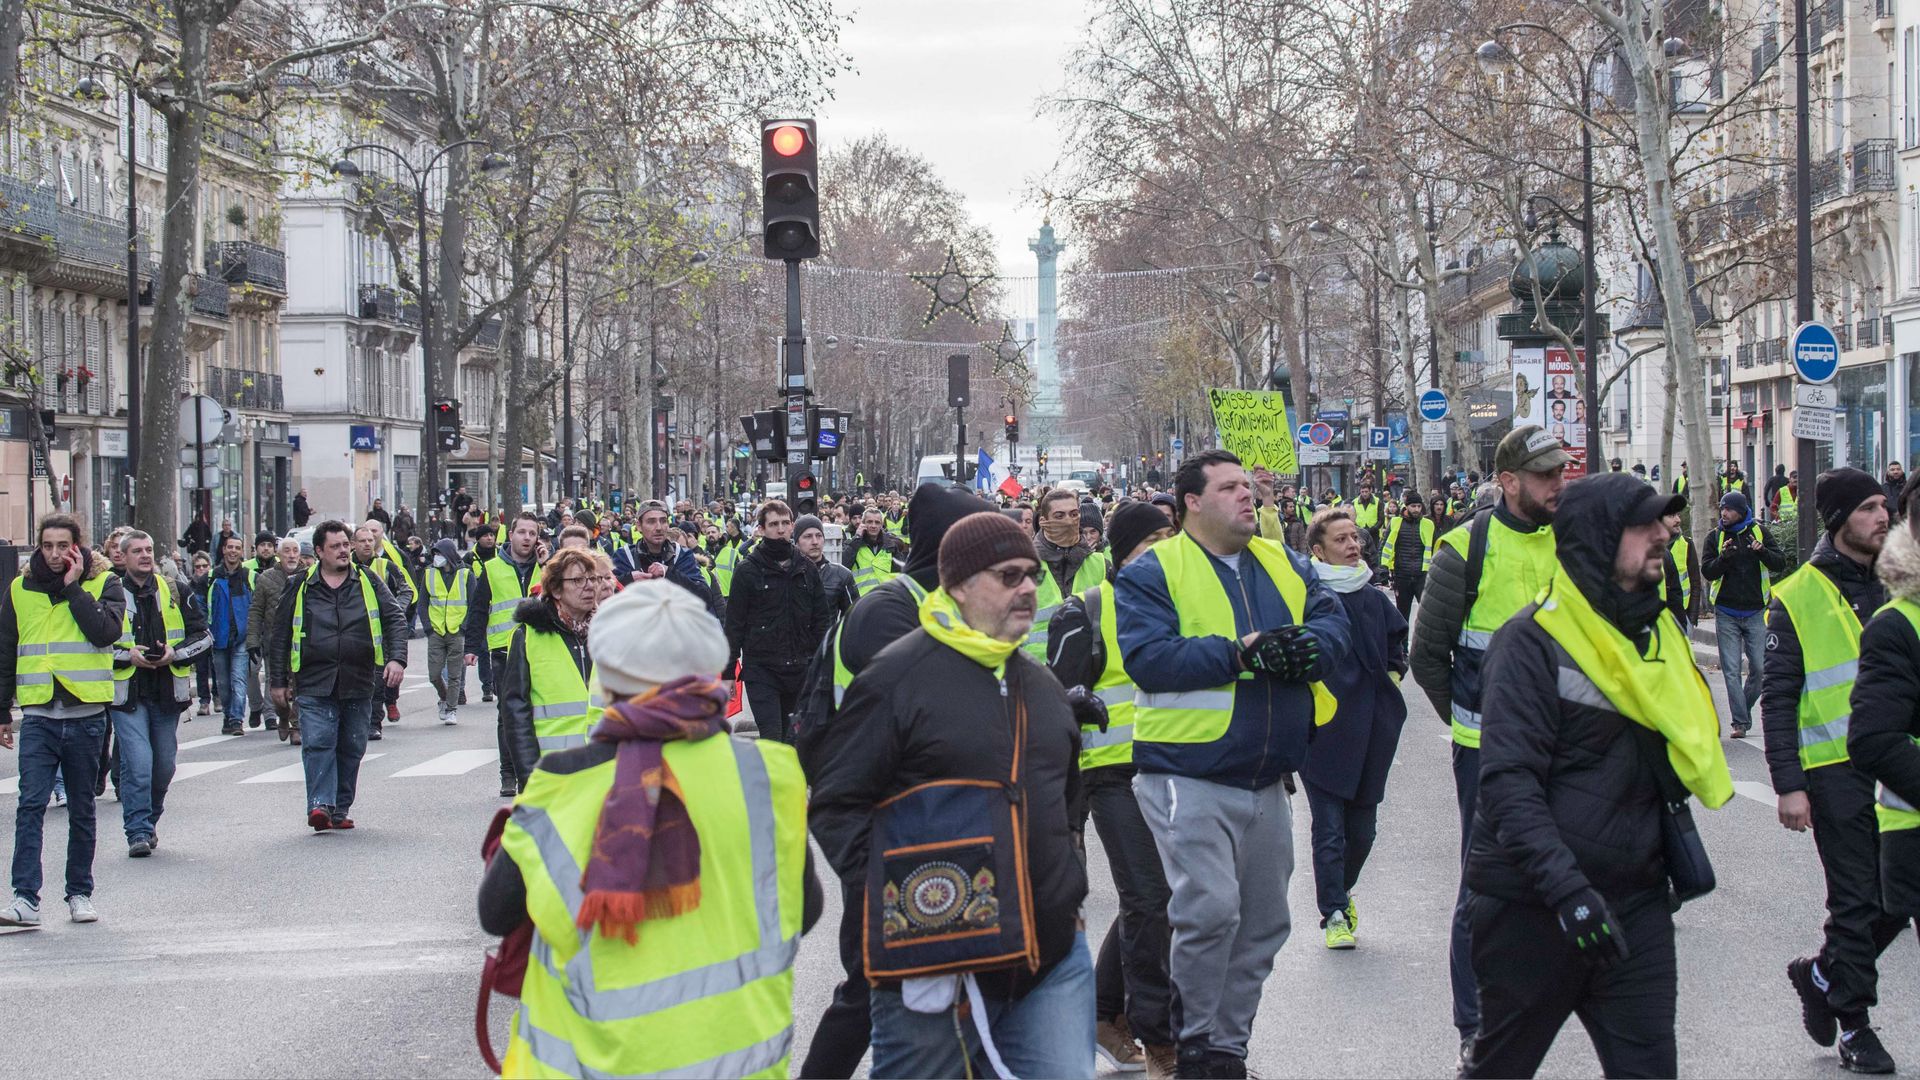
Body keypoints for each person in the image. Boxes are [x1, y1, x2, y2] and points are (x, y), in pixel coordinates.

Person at [478, 579, 821, 1079]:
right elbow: (804, 911)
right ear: (707, 669)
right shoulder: (769, 775)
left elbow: (496, 912)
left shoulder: (563, 785)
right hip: (739, 1061)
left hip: (584, 1063)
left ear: (608, 675)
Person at [1461, 473, 1732, 1078]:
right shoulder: (1530, 642)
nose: (1663, 533)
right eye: (1644, 524)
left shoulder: (1656, 633)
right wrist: (1569, 895)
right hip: (1533, 907)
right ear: (1598, 536)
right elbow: (1508, 786)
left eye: (1663, 521)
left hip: (1635, 901)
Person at [811, 510, 1093, 1078]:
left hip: (1050, 956)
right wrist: (905, 894)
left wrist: (1067, 892)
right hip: (932, 960)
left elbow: (1064, 804)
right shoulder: (896, 676)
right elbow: (836, 802)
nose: (1029, 588)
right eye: (1008, 576)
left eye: (1033, 575)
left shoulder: (1041, 687)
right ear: (959, 585)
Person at [1116, 450, 1350, 1078]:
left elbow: (1334, 625)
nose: (1248, 496)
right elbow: (1149, 659)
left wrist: (1311, 648)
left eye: (1249, 486)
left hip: (1269, 775)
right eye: (1230, 488)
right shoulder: (1154, 571)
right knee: (1211, 909)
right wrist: (1243, 654)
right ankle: (1192, 1042)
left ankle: (1225, 1049)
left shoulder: (1284, 561)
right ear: (1192, 501)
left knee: (1266, 923)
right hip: (1185, 773)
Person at [800, 482, 984, 1080]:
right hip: (880, 821)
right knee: (871, 978)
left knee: (938, 980)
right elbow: (936, 703)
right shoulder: (889, 608)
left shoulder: (945, 602)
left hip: (927, 820)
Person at [1409, 424, 1567, 1065]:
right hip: (1489, 752)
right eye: (1545, 475)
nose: (1559, 484)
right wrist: (1472, 720)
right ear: (1507, 482)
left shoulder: (1578, 541)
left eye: (1562, 473)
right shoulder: (1461, 550)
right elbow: (1427, 657)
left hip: (1572, 747)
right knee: (1485, 889)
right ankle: (1475, 1025)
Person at [1763, 469, 1904, 1074]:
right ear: (1840, 518)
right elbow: (1778, 697)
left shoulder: (1903, 584)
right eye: (1871, 507)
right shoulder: (1796, 594)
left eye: (1887, 507)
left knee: (1898, 895)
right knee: (1856, 901)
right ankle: (1855, 1025)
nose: (1884, 517)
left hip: (1900, 765)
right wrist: (1789, 783)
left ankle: (1822, 974)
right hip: (1835, 768)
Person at [1047, 501, 1180, 1078]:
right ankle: (1161, 1042)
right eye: (1156, 539)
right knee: (1151, 899)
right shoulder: (1088, 610)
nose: (1170, 548)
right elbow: (1057, 705)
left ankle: (1102, 1013)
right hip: (1113, 777)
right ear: (1126, 550)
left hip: (1179, 769)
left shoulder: (1186, 600)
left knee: (1165, 901)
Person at [0, 516, 127, 927]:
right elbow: (5, 650)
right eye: (48, 545)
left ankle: (79, 893)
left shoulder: (103, 584)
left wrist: (73, 587)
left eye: (63, 545)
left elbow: (105, 632)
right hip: (38, 715)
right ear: (38, 546)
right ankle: (25, 898)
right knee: (30, 805)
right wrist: (2, 710)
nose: (55, 554)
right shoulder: (20, 589)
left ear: (78, 547)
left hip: (86, 716)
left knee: (82, 808)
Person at [1299, 507, 1407, 951]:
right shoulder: (1306, 597)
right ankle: (1335, 914)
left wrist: (1392, 681)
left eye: (1355, 538)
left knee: (1363, 831)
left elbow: (1398, 646)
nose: (1352, 546)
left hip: (1371, 732)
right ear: (1318, 551)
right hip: (1322, 731)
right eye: (1341, 540)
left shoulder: (1374, 596)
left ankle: (1340, 892)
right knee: (1329, 828)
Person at [1846, 476, 1920, 1067]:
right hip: (1914, 830)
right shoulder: (1897, 625)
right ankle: (1837, 988)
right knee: (1868, 916)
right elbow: (1872, 739)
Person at [268, 520, 407, 832]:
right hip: (314, 680)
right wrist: (277, 681)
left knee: (352, 745)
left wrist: (397, 659)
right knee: (318, 741)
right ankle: (319, 804)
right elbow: (279, 635)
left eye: (346, 544)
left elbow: (395, 619)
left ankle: (340, 807)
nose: (344, 550)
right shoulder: (301, 585)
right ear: (319, 551)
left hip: (359, 679)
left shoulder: (368, 580)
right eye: (336, 546)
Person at [107, 530, 211, 858]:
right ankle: (136, 829)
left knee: (164, 765)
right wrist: (127, 655)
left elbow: (204, 636)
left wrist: (174, 655)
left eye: (149, 549)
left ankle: (150, 818)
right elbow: (92, 642)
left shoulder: (175, 589)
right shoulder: (109, 592)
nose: (145, 555)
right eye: (137, 550)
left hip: (166, 692)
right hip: (127, 695)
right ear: (122, 557)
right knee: (138, 762)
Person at [498, 548, 609, 790]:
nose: (589, 586)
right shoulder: (528, 636)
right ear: (556, 589)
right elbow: (516, 712)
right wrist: (529, 778)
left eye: (593, 579)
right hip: (554, 775)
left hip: (608, 774)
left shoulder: (611, 632)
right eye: (578, 580)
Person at [724, 500, 831, 744]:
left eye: (785, 523)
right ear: (761, 529)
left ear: (792, 526)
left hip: (799, 668)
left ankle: (792, 783)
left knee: (794, 740)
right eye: (773, 524)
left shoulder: (806, 568)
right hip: (762, 670)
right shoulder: (747, 570)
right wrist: (728, 671)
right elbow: (734, 624)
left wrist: (817, 658)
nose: (780, 529)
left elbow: (821, 618)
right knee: (772, 739)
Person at [466, 513, 546, 798]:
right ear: (509, 535)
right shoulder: (491, 568)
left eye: (532, 533)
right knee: (507, 714)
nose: (527, 538)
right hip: (504, 650)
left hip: (541, 648)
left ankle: (534, 770)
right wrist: (472, 647)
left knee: (540, 711)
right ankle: (508, 772)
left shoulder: (546, 566)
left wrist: (547, 563)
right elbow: (478, 609)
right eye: (521, 532)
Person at [1702, 489, 1787, 736]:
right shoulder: (1715, 537)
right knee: (1730, 670)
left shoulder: (1758, 532)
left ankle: (1744, 709)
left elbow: (1779, 562)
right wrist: (1724, 558)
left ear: (1741, 511)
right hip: (1726, 611)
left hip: (1755, 611)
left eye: (1729, 509)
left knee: (1760, 669)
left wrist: (1761, 551)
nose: (1724, 513)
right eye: (1722, 508)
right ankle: (1739, 722)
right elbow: (1708, 571)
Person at [1030, 488, 1110, 661]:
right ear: (1043, 521)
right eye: (1059, 516)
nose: (1068, 521)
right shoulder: (1023, 566)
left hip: (1090, 671)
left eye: (1074, 514)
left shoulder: (1101, 565)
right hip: (1036, 673)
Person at [354, 523, 415, 737]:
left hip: (384, 631)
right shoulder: (346, 567)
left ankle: (375, 721)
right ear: (354, 544)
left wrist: (395, 610)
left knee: (382, 675)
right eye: (362, 541)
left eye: (370, 540)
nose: (367, 544)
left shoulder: (386, 566)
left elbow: (406, 590)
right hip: (357, 631)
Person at [247, 538, 304, 743]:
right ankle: (282, 715)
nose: (291, 555)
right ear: (278, 555)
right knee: (277, 689)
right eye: (286, 551)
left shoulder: (308, 576)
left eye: (295, 551)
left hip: (302, 643)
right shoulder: (266, 579)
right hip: (276, 643)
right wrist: (252, 640)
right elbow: (256, 611)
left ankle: (296, 726)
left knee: (300, 686)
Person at [611, 501, 714, 612]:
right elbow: (606, 599)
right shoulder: (625, 556)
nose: (659, 527)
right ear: (639, 526)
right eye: (651, 522)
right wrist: (629, 579)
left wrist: (669, 574)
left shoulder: (682, 555)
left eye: (663, 521)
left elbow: (705, 598)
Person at [205, 534, 255, 736]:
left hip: (241, 639)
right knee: (223, 683)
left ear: (241, 552)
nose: (233, 551)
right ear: (224, 550)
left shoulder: (249, 577)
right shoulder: (211, 577)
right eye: (230, 547)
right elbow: (200, 604)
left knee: (238, 680)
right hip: (218, 637)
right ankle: (228, 714)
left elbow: (257, 605)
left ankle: (236, 720)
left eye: (237, 547)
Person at [422, 538, 470, 725]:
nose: (436, 558)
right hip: (436, 631)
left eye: (439, 554)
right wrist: (428, 627)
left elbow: (473, 604)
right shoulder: (429, 574)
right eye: (435, 555)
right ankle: (444, 698)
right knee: (434, 674)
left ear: (449, 555)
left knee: (454, 675)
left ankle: (451, 709)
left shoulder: (466, 575)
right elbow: (423, 603)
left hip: (456, 631)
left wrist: (464, 627)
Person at [1382, 498, 1435, 620]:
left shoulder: (1428, 524)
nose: (1416, 509)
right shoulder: (1395, 522)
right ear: (1406, 507)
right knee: (1402, 614)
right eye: (1413, 506)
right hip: (1401, 575)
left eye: (1418, 506)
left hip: (1422, 575)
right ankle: (1402, 640)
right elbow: (1385, 545)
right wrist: (1383, 568)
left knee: (1428, 615)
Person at [795, 515, 857, 617]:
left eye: (819, 536)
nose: (815, 542)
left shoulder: (841, 575)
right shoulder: (788, 573)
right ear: (797, 542)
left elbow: (853, 617)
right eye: (808, 536)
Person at [841, 505, 904, 597]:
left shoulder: (890, 546)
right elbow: (844, 564)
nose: (873, 526)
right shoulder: (853, 544)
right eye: (869, 522)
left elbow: (900, 574)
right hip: (860, 600)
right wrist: (857, 538)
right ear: (863, 524)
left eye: (877, 522)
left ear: (881, 525)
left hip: (884, 599)